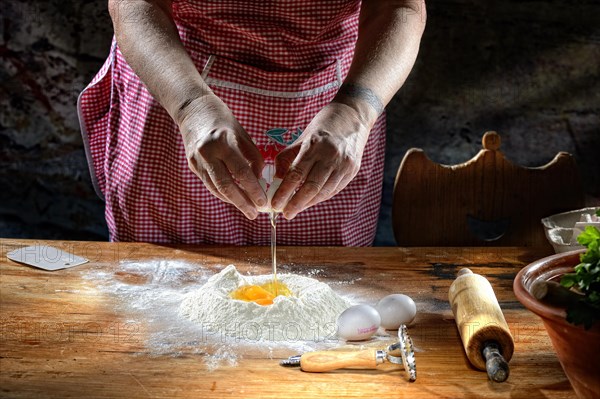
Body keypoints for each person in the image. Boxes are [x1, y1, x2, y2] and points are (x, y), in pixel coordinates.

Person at [78, 0, 426, 245]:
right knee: (161, 281)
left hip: (337, 100)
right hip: (177, 81)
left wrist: (355, 112)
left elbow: (400, 6)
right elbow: (137, 4)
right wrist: (191, 106)